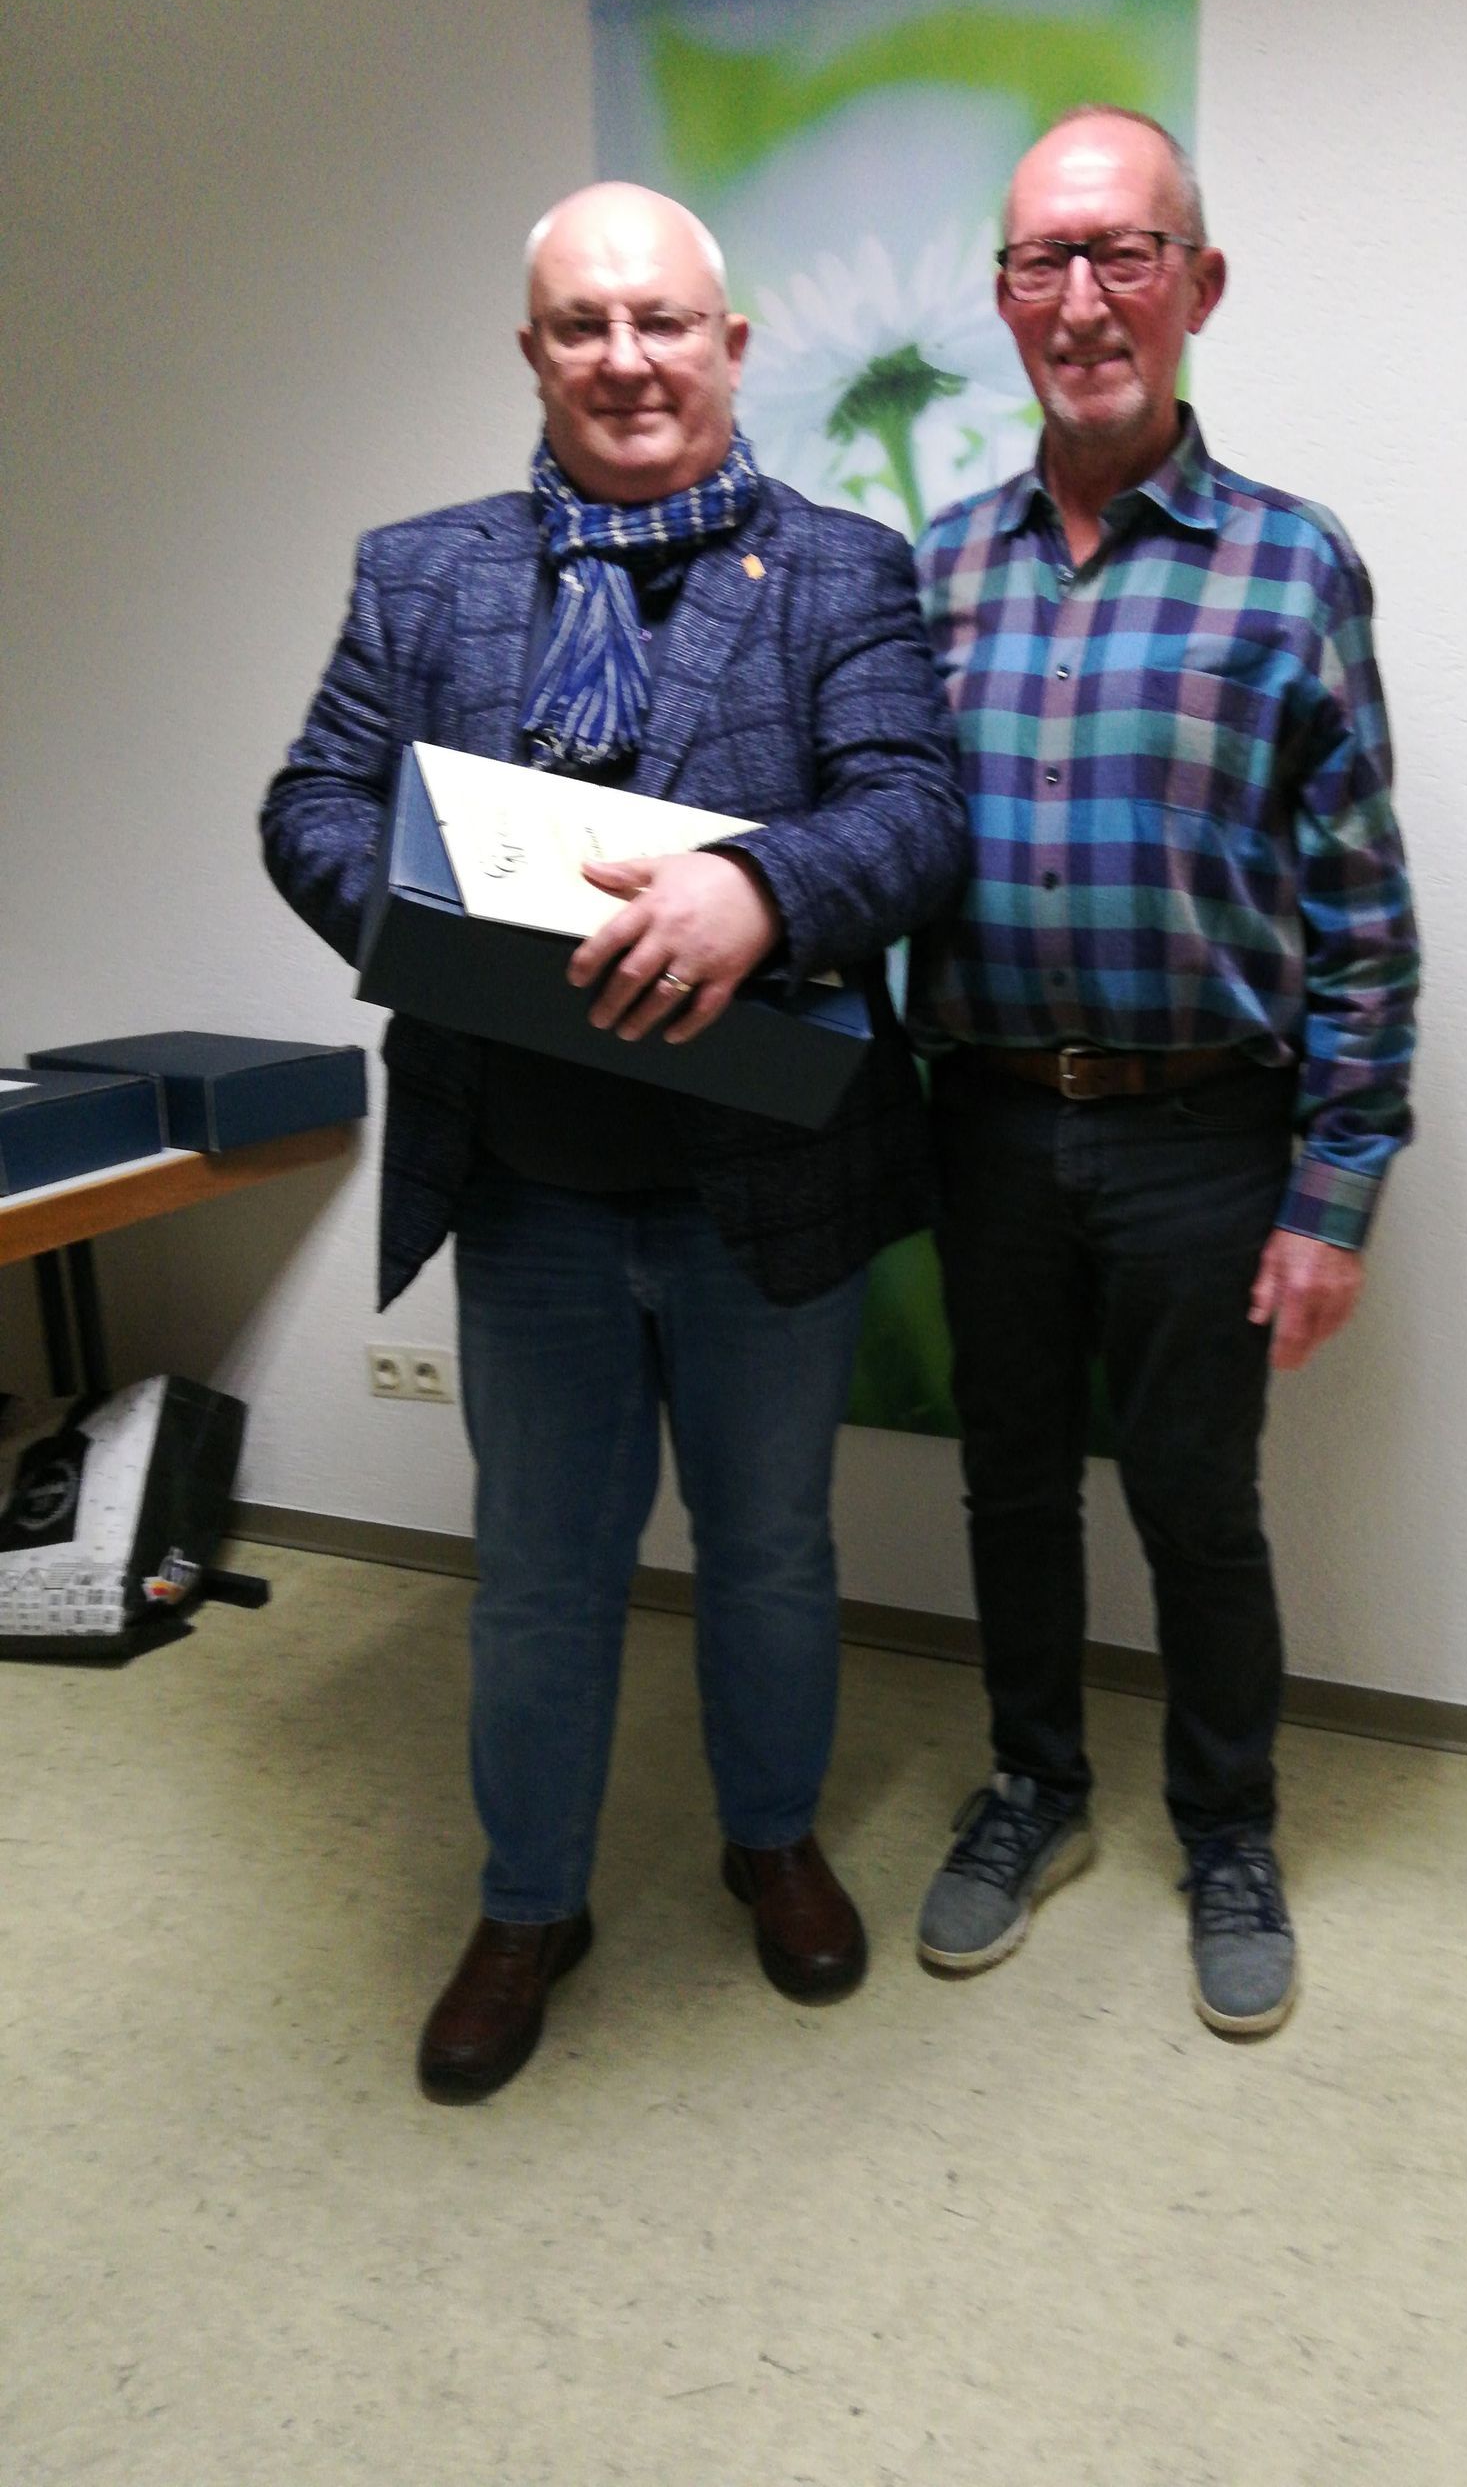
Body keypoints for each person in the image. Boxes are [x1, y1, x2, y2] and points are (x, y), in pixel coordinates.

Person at [262, 182, 966, 2101]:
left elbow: (913, 809)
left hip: (764, 1187)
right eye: (584, 324)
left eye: (662, 321)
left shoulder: (843, 571)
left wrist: (766, 890)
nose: (627, 358)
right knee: (540, 1574)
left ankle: (772, 1839)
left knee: (772, 1551)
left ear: (731, 346)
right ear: (534, 352)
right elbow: (311, 799)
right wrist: (430, 919)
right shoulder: (422, 575)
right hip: (530, 1192)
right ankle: (528, 1905)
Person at [908, 108, 1419, 2039]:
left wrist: (1335, 1194)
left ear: (1197, 285)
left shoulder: (1294, 568)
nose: (1083, 300)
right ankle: (1034, 1784)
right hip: (983, 1123)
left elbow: (1363, 908)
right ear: (1004, 301)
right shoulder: (931, 572)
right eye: (1044, 260)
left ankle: (1228, 1829)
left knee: (1200, 1508)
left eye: (1123, 254)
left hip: (1207, 1133)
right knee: (1011, 1489)